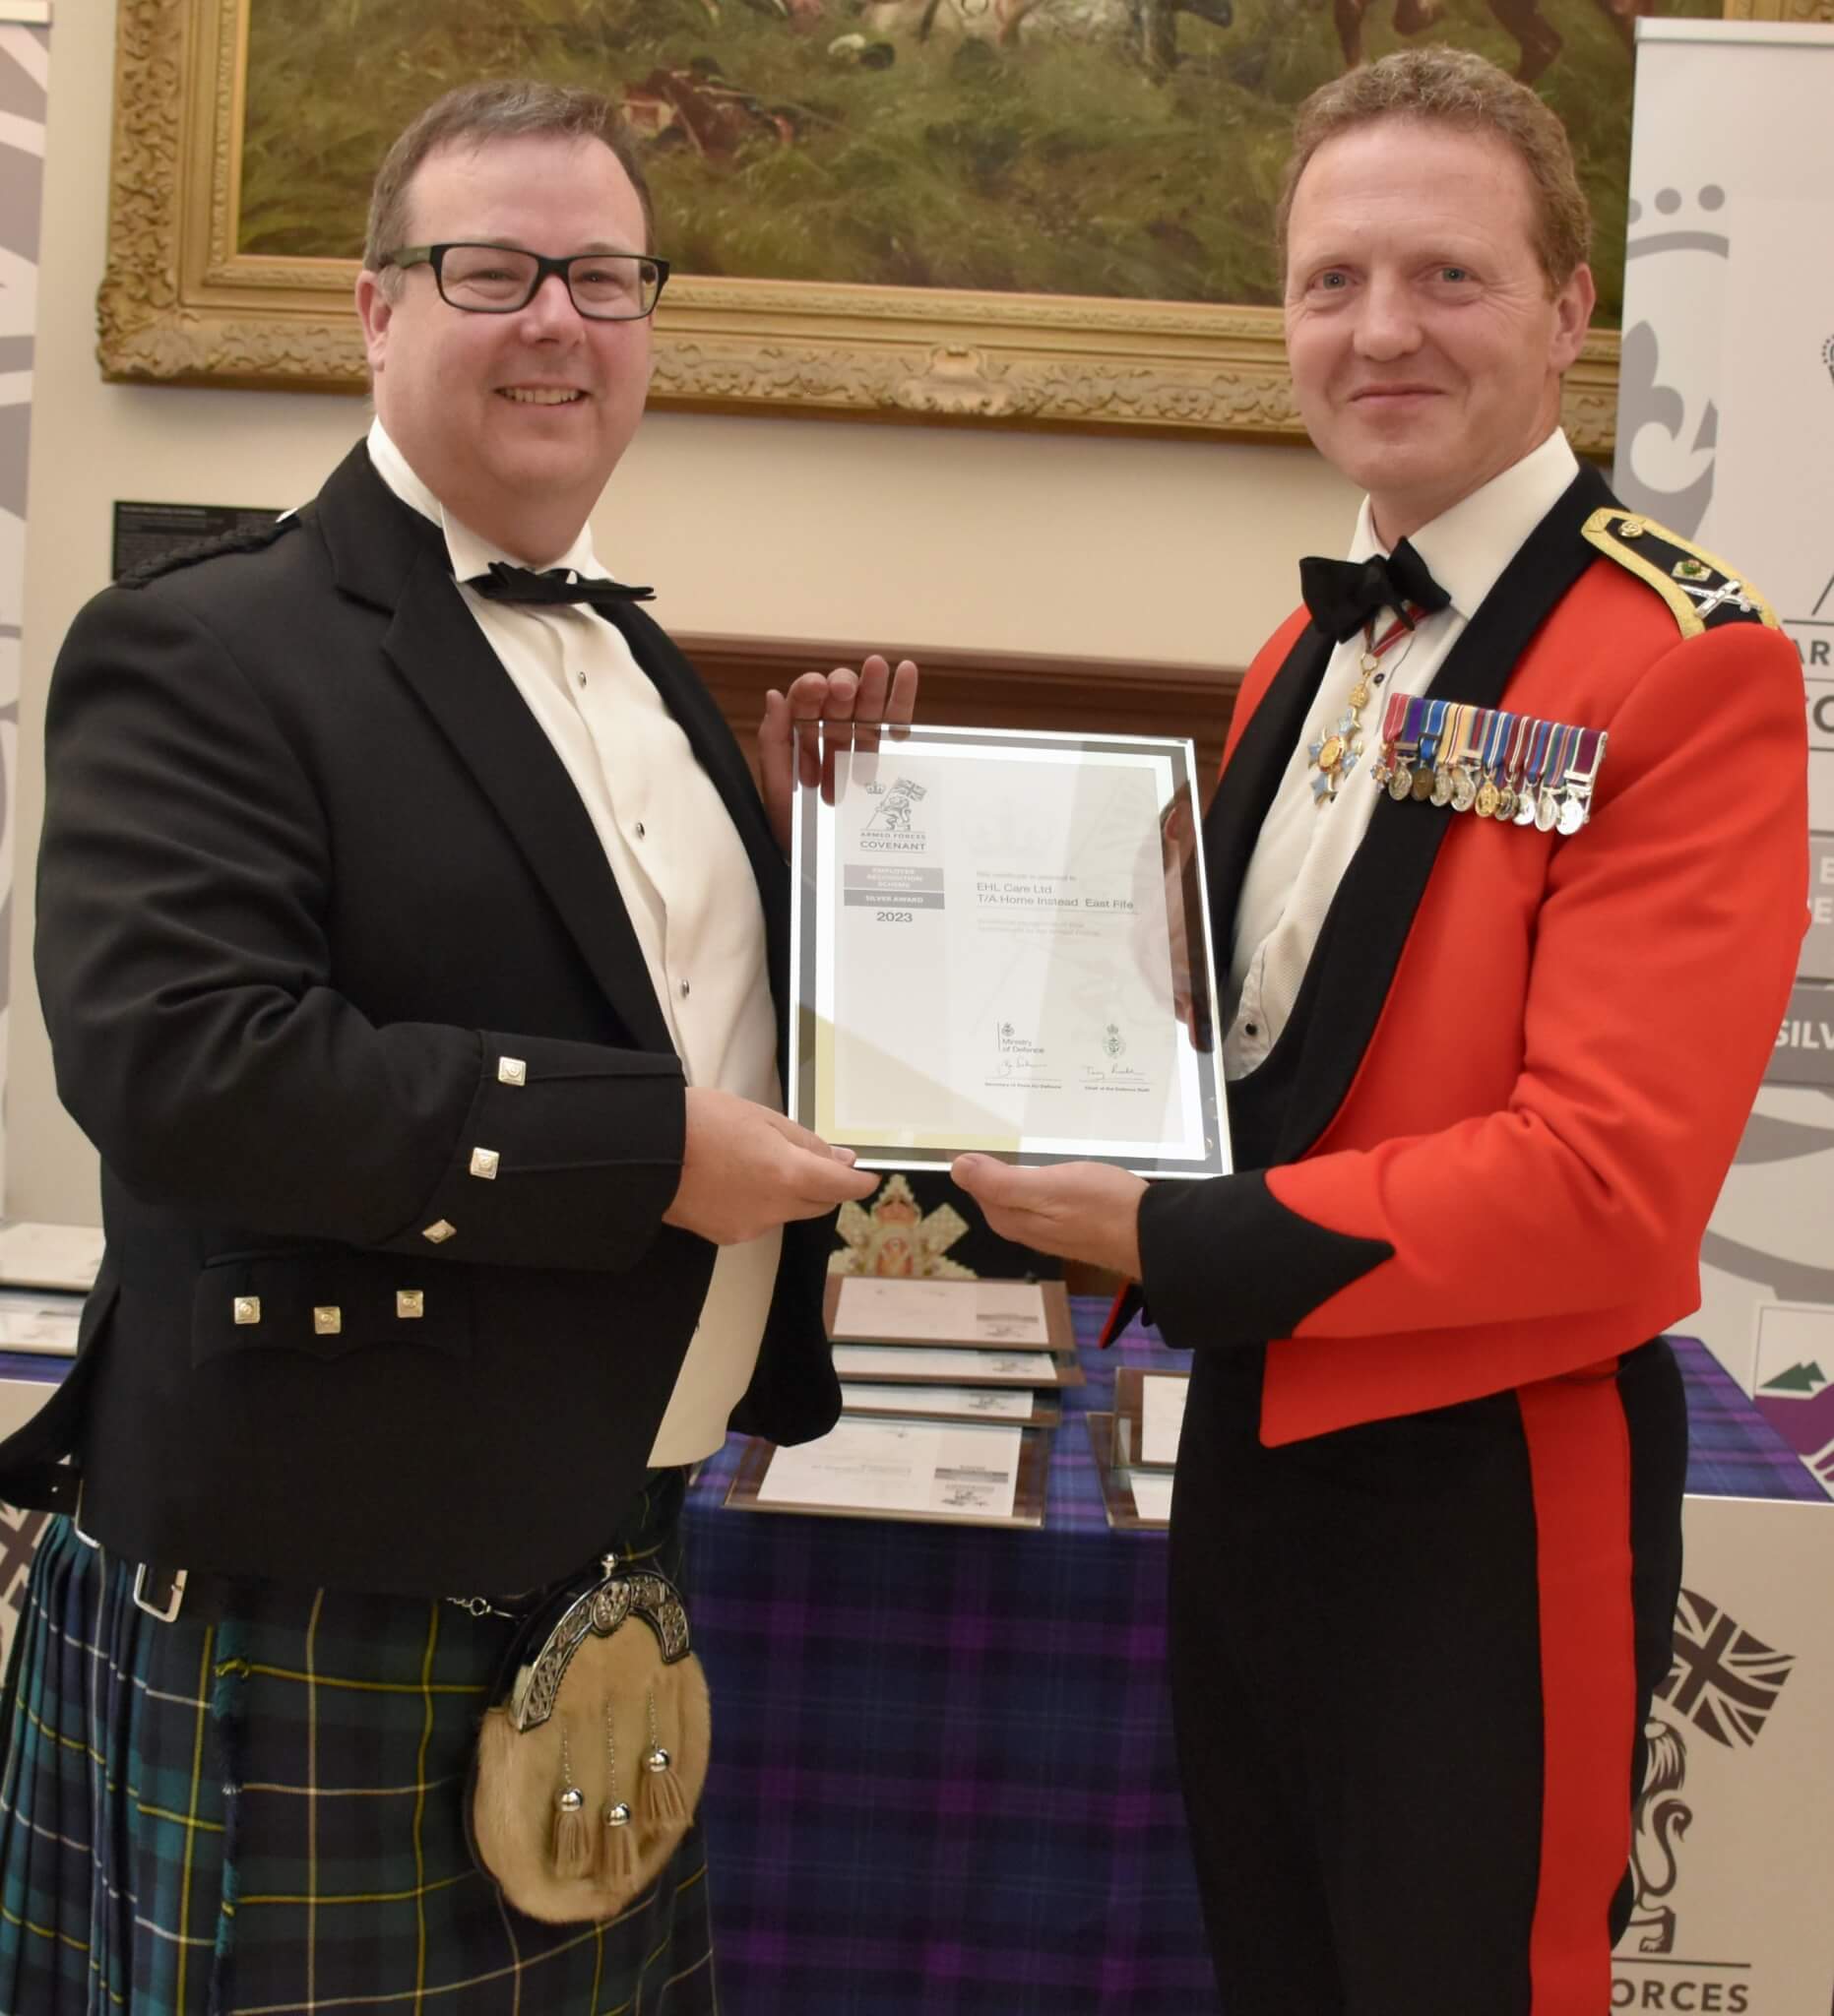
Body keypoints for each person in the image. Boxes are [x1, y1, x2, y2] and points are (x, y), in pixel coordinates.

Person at [0, 80, 914, 2014]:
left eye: (601, 276)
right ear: (374, 311)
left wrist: (839, 860)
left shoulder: (642, 665)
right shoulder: (207, 644)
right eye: (490, 270)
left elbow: (629, 987)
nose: (555, 321)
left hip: (604, 1554)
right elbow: (186, 1064)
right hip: (321, 1574)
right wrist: (655, 1154)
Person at [954, 47, 1806, 2015]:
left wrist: (1160, 1240)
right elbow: (1238, 1050)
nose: (1376, 330)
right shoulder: (1305, 648)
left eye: (1443, 277)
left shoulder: (1681, 666)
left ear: (1566, 311)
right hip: (1256, 1454)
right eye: (1329, 280)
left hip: (1486, 1495)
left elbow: (1603, 1189)